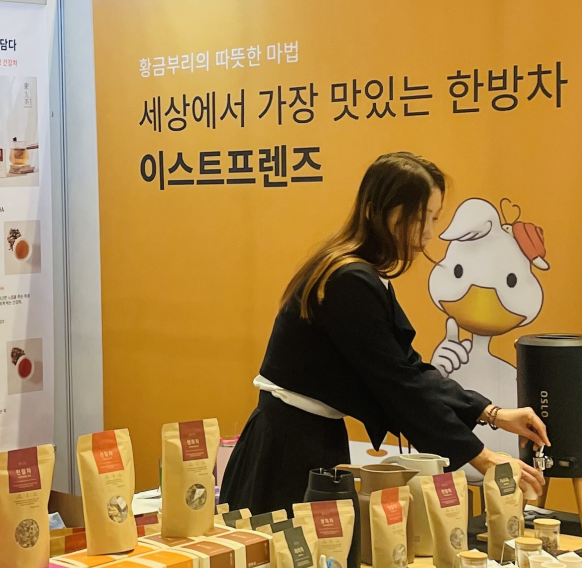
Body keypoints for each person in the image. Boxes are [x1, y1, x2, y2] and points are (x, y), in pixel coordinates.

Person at [222, 152, 550, 514]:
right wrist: (482, 456)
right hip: (288, 449)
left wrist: (491, 413)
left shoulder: (360, 273)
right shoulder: (349, 280)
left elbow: (410, 370)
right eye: (421, 218)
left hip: (306, 438)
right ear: (382, 212)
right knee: (295, 549)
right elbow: (398, 385)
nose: (428, 233)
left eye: (434, 218)